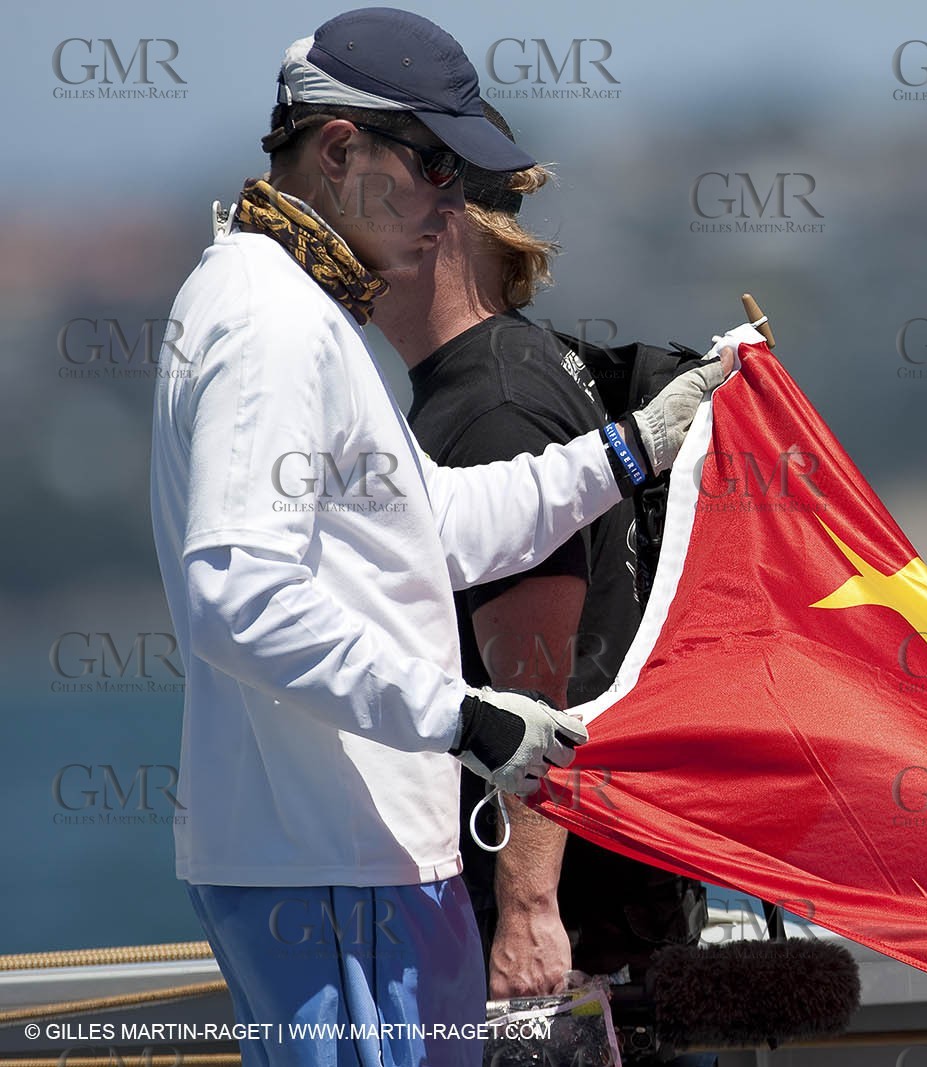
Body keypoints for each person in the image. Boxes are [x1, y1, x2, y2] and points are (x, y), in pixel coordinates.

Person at [147, 10, 725, 1067]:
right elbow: (238, 589)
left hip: (351, 865)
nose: (455, 200)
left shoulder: (304, 312)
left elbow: (432, 529)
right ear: (339, 150)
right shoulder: (273, 324)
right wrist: (461, 714)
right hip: (328, 871)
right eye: (435, 163)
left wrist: (633, 448)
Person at [372, 105, 715, 1065]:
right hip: (610, 920)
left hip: (555, 951)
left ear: (444, 226)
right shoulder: (516, 370)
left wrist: (526, 912)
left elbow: (534, 685)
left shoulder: (494, 405)